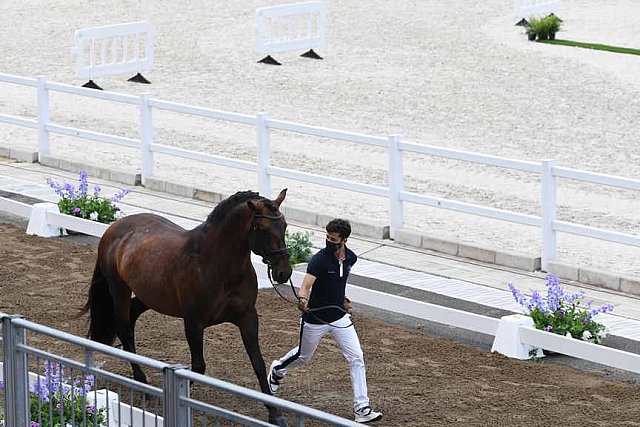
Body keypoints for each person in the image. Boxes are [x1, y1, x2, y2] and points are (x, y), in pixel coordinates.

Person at [268, 219, 383, 424]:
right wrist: (302, 300)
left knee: (357, 357)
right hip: (315, 318)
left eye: (333, 239)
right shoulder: (319, 260)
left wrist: (342, 298)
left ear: (344, 240)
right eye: (328, 237)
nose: (329, 241)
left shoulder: (351, 258)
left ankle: (362, 408)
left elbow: (338, 282)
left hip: (339, 316)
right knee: (303, 357)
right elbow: (305, 286)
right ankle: (277, 369)